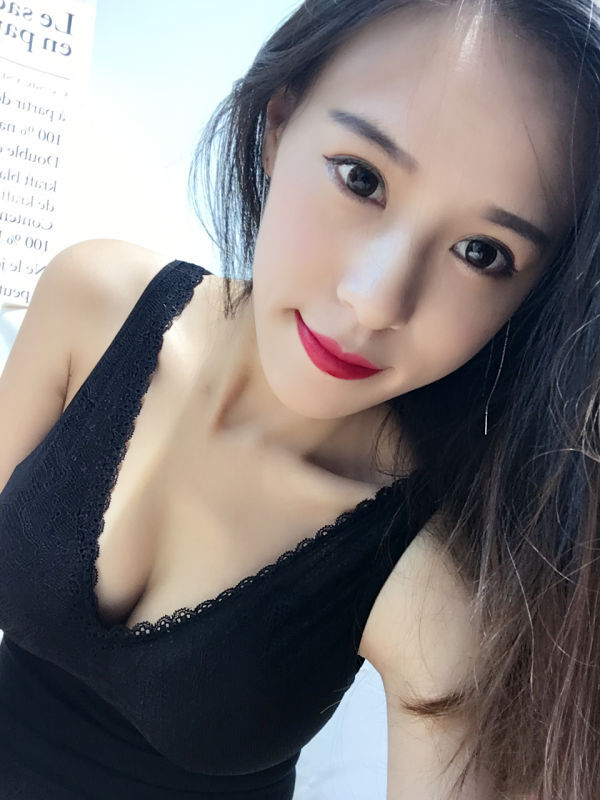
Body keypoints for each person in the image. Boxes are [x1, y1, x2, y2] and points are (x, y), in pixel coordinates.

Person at [0, 0, 598, 798]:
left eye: (481, 253)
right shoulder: (94, 303)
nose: (374, 300)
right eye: (361, 178)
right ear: (278, 127)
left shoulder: (427, 571)